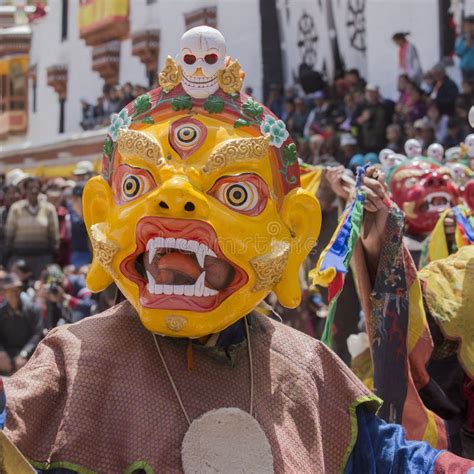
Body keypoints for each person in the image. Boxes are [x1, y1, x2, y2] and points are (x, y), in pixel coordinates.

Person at [2, 26, 473, 473]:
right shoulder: (73, 362)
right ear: (100, 214)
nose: (174, 198)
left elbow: (389, 459)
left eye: (235, 193)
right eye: (136, 182)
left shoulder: (307, 368)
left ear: (295, 231)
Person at [5, 177, 59, 278]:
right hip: (20, 259)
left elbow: (54, 236)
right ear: (25, 190)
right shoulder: (16, 209)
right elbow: (9, 235)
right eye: (30, 188)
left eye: (36, 187)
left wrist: (52, 256)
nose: (34, 190)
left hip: (43, 259)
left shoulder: (49, 209)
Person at [0, 273, 43, 375]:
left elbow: (37, 334)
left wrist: (24, 354)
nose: (14, 293)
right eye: (10, 290)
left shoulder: (33, 309)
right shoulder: (1, 311)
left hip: (28, 353)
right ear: (4, 292)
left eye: (17, 289)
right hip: (6, 353)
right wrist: (1, 353)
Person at [353, 84, 387, 152]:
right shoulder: (361, 106)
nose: (370, 94)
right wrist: (362, 118)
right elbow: (352, 122)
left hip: (379, 142)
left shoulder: (383, 107)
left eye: (372, 92)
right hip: (363, 142)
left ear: (377, 93)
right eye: (368, 92)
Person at [456, 15, 474, 82]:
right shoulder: (463, 38)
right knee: (466, 89)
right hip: (465, 69)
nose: (467, 28)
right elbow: (458, 53)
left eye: (469, 25)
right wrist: (465, 45)